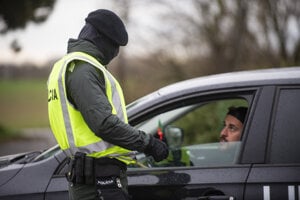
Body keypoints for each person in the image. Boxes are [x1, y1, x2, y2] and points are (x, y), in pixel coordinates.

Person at [47, 9, 168, 200]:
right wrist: (148, 143)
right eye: (114, 45)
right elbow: (104, 124)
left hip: (96, 177)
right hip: (98, 183)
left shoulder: (69, 67)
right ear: (99, 38)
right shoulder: (83, 69)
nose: (116, 53)